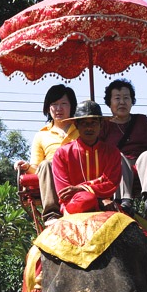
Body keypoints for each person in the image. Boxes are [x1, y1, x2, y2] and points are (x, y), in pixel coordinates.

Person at [101, 78, 147, 221]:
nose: (122, 102)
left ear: (132, 101)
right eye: (117, 98)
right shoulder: (104, 126)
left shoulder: (142, 121)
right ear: (109, 102)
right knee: (117, 156)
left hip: (143, 162)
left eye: (126, 98)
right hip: (118, 164)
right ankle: (125, 201)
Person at [15, 84, 78, 224]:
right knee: (46, 164)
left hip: (78, 175)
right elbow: (38, 169)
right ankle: (51, 214)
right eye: (54, 104)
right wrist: (26, 167)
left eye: (64, 104)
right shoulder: (41, 135)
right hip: (53, 176)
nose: (59, 108)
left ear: (72, 106)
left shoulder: (83, 130)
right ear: (48, 108)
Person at [52, 100, 121, 214]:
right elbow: (65, 193)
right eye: (84, 123)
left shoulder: (112, 153)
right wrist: (97, 199)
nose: (89, 128)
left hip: (106, 204)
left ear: (101, 125)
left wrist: (80, 188)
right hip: (74, 206)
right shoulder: (62, 153)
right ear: (76, 125)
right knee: (88, 199)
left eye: (93, 123)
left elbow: (111, 184)